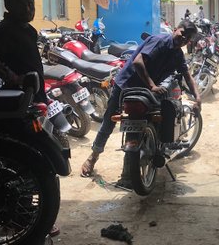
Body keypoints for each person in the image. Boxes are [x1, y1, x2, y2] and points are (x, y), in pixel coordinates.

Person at [81, 19, 202, 178]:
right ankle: (93, 158)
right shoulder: (159, 41)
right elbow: (138, 62)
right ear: (175, 29)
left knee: (146, 122)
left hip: (146, 90)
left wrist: (198, 97)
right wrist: (152, 85)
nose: (184, 39)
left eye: (188, 39)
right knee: (109, 122)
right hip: (126, 85)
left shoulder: (178, 54)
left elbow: (187, 75)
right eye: (183, 34)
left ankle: (132, 168)